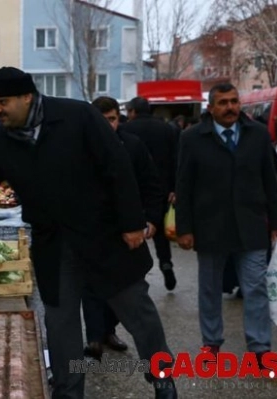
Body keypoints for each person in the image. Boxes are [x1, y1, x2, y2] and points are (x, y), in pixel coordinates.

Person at [0, 67, 176, 399]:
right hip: (55, 246)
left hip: (104, 237)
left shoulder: (77, 116)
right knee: (60, 324)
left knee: (137, 311)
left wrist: (131, 223)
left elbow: (117, 166)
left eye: (4, 101)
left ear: (27, 97)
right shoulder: (2, 138)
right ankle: (68, 390)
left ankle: (163, 377)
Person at [176, 82, 277, 366]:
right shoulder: (193, 138)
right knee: (210, 290)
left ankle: (260, 348)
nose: (230, 107)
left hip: (251, 227)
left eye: (234, 101)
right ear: (210, 108)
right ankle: (211, 344)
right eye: (223, 102)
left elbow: (271, 182)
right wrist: (184, 229)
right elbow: (184, 186)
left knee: (256, 288)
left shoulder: (257, 135)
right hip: (210, 229)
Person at [82, 96, 164, 360]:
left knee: (125, 291)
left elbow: (152, 186)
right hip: (91, 234)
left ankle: (110, 331)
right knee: (91, 289)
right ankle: (94, 337)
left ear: (120, 118)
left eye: (113, 119)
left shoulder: (133, 146)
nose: (108, 125)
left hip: (126, 234)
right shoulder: (80, 149)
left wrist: (150, 220)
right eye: (102, 120)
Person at [122, 96, 179, 291]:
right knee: (160, 231)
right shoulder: (166, 129)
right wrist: (173, 187)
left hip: (134, 189)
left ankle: (138, 275)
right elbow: (175, 158)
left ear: (132, 112)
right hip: (161, 188)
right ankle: (166, 263)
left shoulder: (126, 131)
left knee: (134, 230)